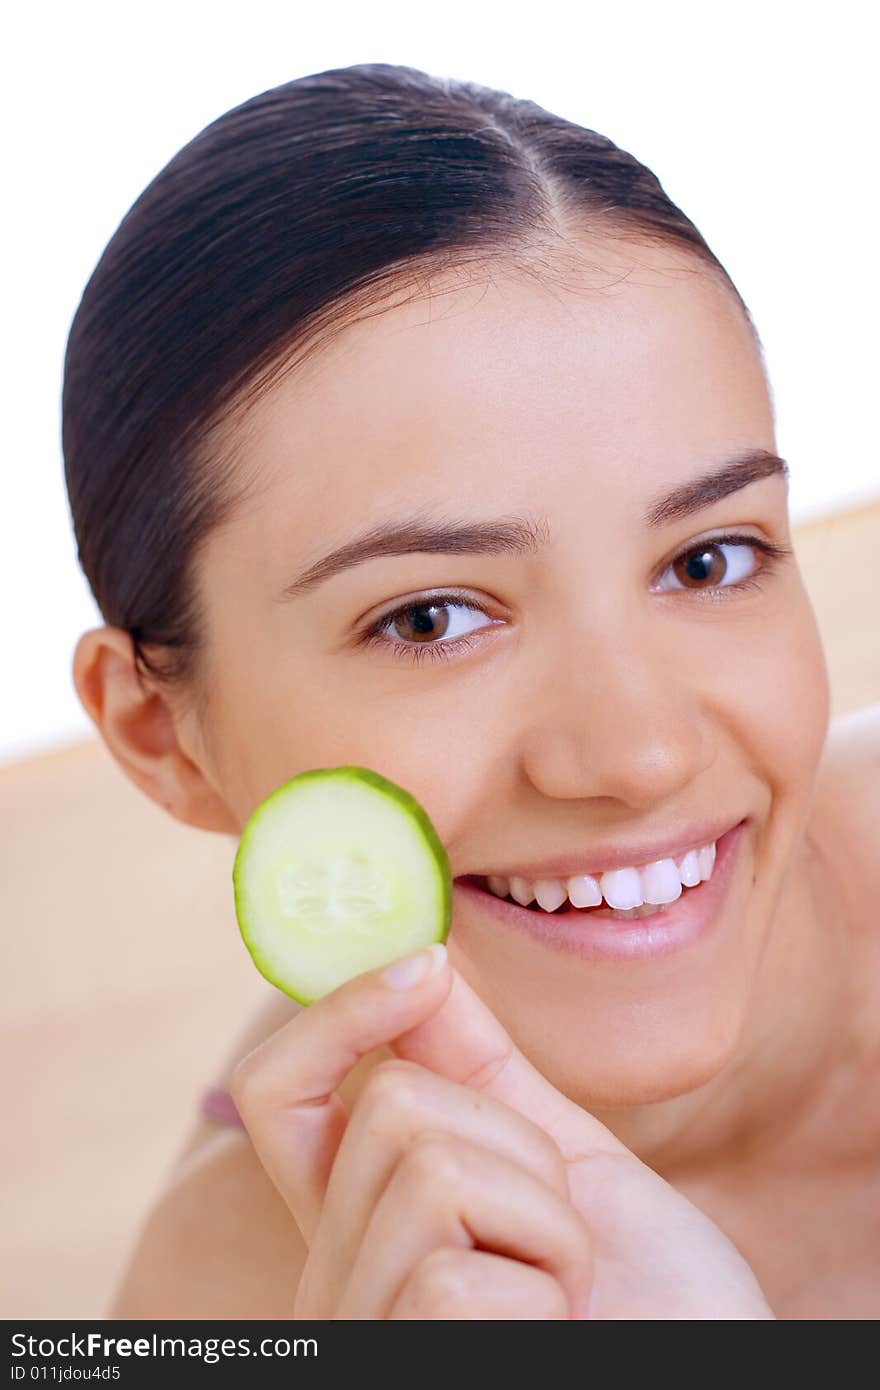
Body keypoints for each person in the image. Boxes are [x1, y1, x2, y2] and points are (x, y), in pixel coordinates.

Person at [65, 62, 879, 1320]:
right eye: (430, 618)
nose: (638, 752)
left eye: (706, 558)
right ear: (159, 730)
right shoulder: (228, 1308)